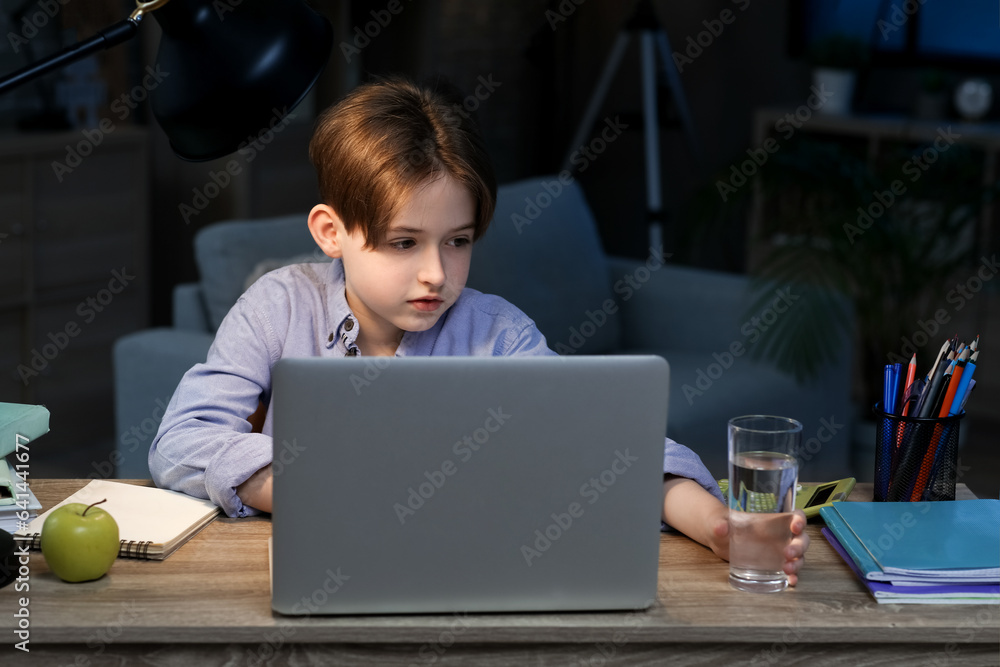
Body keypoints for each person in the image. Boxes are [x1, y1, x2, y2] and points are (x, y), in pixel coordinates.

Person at [149, 77, 809, 584]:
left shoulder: (499, 335)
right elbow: (181, 442)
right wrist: (313, 488)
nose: (436, 273)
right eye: (403, 242)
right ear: (332, 232)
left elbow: (613, 445)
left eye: (458, 241)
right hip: (316, 580)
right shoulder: (277, 307)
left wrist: (716, 523)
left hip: (471, 582)